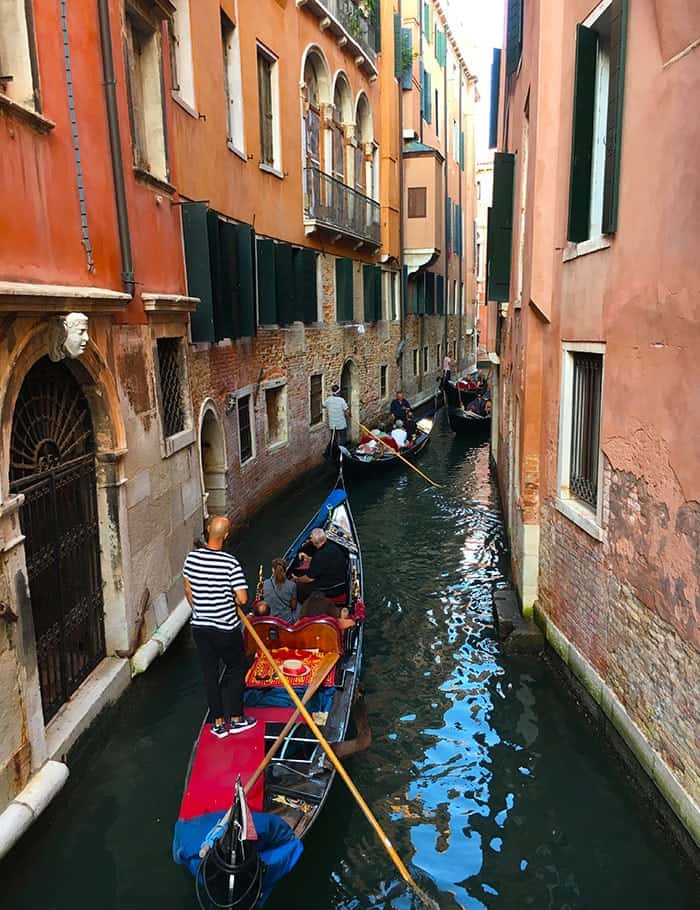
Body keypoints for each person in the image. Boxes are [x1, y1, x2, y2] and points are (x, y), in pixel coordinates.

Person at [183, 517, 257, 739]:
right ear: (226, 535)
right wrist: (228, 598)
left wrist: (201, 608)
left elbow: (188, 590)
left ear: (208, 530)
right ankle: (236, 719)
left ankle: (217, 723)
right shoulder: (230, 563)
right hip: (226, 628)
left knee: (210, 674)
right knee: (236, 669)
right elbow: (242, 599)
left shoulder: (191, 558)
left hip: (200, 627)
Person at [292, 528, 348, 600]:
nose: (310, 539)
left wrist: (297, 579)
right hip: (340, 579)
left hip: (331, 588)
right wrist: (308, 558)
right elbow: (324, 562)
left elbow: (309, 579)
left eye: (311, 538)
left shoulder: (319, 556)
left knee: (298, 587)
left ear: (314, 542)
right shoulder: (332, 546)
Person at [262, 558, 298, 624]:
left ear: (273, 570)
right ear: (286, 569)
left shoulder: (265, 583)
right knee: (299, 606)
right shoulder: (292, 585)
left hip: (271, 620)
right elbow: (293, 607)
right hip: (287, 621)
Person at [323, 384, 349, 455]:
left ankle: (334, 453)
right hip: (341, 424)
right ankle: (342, 453)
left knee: (334, 439)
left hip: (332, 424)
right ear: (338, 392)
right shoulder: (341, 400)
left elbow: (323, 406)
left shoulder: (328, 400)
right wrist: (349, 414)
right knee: (342, 439)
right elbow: (347, 411)